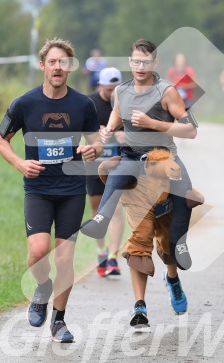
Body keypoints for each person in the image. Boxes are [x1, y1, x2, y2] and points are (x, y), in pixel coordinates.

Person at [80, 39, 198, 327]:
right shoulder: (121, 91)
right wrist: (107, 131)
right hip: (133, 159)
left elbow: (191, 130)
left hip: (163, 162)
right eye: (136, 61)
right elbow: (117, 116)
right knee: (139, 238)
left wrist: (153, 123)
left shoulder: (166, 92)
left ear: (154, 64)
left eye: (146, 62)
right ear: (130, 62)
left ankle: (175, 269)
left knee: (183, 204)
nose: (140, 66)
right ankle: (139, 305)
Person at [0, 38, 102, 343]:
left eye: (63, 62)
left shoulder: (83, 104)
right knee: (39, 252)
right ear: (43, 66)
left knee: (65, 259)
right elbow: (0, 140)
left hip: (71, 189)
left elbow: (96, 142)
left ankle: (59, 322)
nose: (58, 67)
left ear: (69, 67)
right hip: (39, 190)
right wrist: (20, 164)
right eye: (52, 62)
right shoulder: (24, 103)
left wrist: (93, 150)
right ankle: (42, 288)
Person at [86, 67, 126, 277]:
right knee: (98, 211)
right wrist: (95, 136)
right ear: (100, 86)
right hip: (95, 163)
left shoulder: (126, 102)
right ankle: (101, 251)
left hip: (118, 163)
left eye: (116, 90)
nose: (112, 94)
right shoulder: (89, 103)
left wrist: (124, 137)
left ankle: (113, 258)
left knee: (117, 209)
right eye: (109, 89)